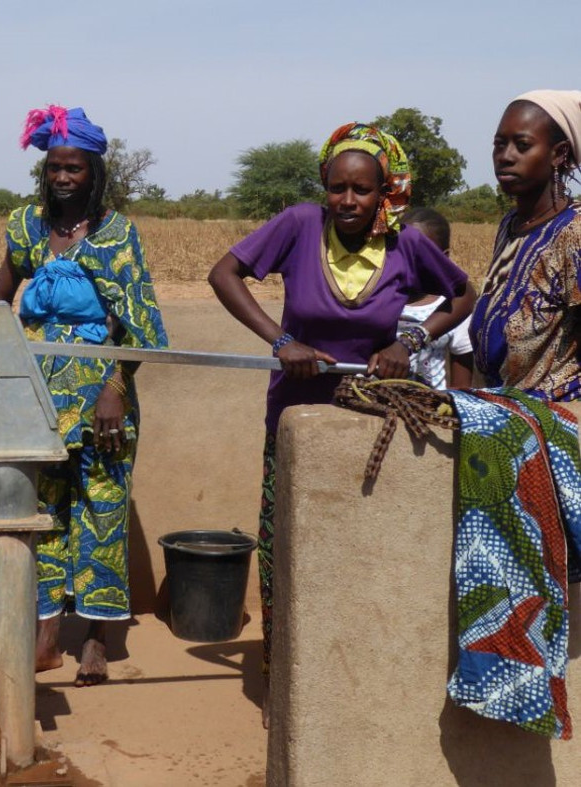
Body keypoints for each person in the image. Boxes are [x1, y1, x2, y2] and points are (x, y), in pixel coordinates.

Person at [208, 122, 476, 726]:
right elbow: (224, 274)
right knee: (287, 541)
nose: (348, 202)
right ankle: (284, 681)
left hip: (372, 413)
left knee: (361, 541)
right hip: (297, 414)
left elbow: (464, 295)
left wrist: (410, 338)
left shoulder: (407, 242)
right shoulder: (300, 226)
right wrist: (282, 340)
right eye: (338, 188)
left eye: (362, 189)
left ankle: (356, 675)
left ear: (386, 191)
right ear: (323, 187)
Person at [0, 105, 167, 687]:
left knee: (103, 510)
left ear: (95, 173)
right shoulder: (25, 227)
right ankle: (45, 632)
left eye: (75, 169)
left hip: (101, 403)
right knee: (43, 513)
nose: (63, 178)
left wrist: (114, 386)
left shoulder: (117, 234)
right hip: (38, 398)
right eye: (55, 168)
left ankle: (95, 636)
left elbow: (139, 323)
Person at [470, 90, 581, 400]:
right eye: (499, 144)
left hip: (558, 423)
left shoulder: (574, 234)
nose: (505, 156)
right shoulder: (511, 225)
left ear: (558, 154)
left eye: (522, 145)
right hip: (501, 413)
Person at [399, 207, 474, 389]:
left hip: (428, 411)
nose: (411, 262)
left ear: (444, 257)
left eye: (422, 255)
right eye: (403, 251)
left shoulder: (453, 307)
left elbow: (461, 386)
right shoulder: (379, 300)